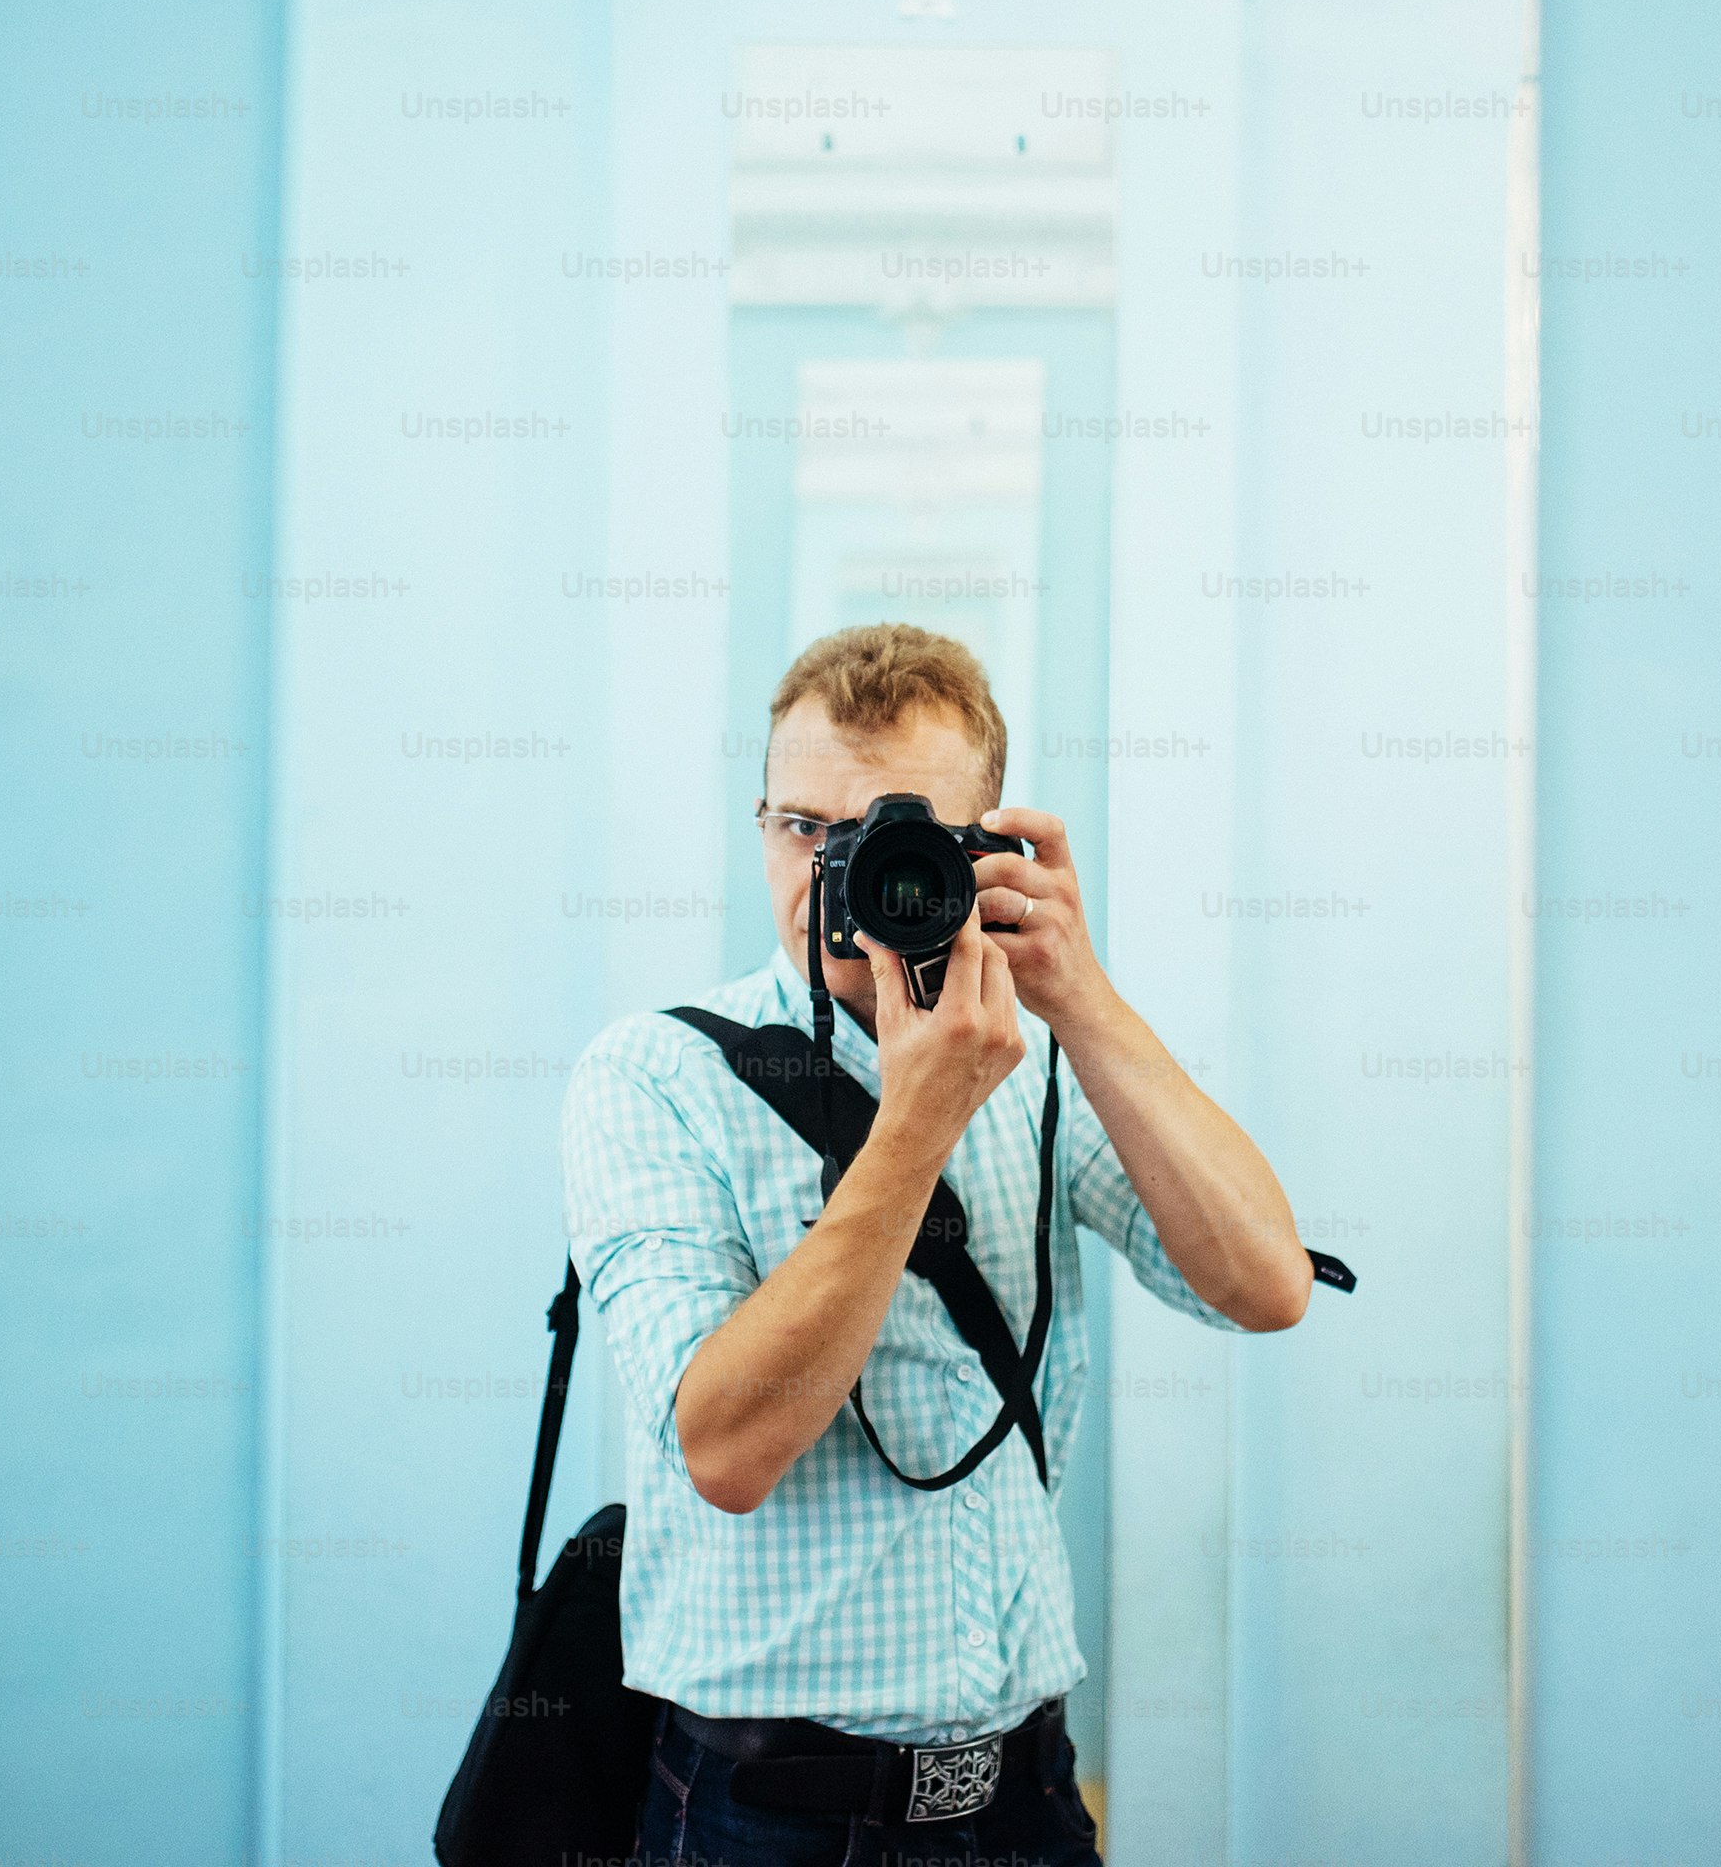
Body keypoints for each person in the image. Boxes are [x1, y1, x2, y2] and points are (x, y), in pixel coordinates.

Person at [564, 623, 1316, 1866]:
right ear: (761, 824)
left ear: (983, 853)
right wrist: (916, 1122)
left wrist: (1081, 998)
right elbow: (726, 1450)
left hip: (1024, 1793)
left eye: (883, 837)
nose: (834, 872)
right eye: (801, 826)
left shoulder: (1039, 1064)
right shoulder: (654, 1075)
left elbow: (1262, 1285)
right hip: (765, 1816)